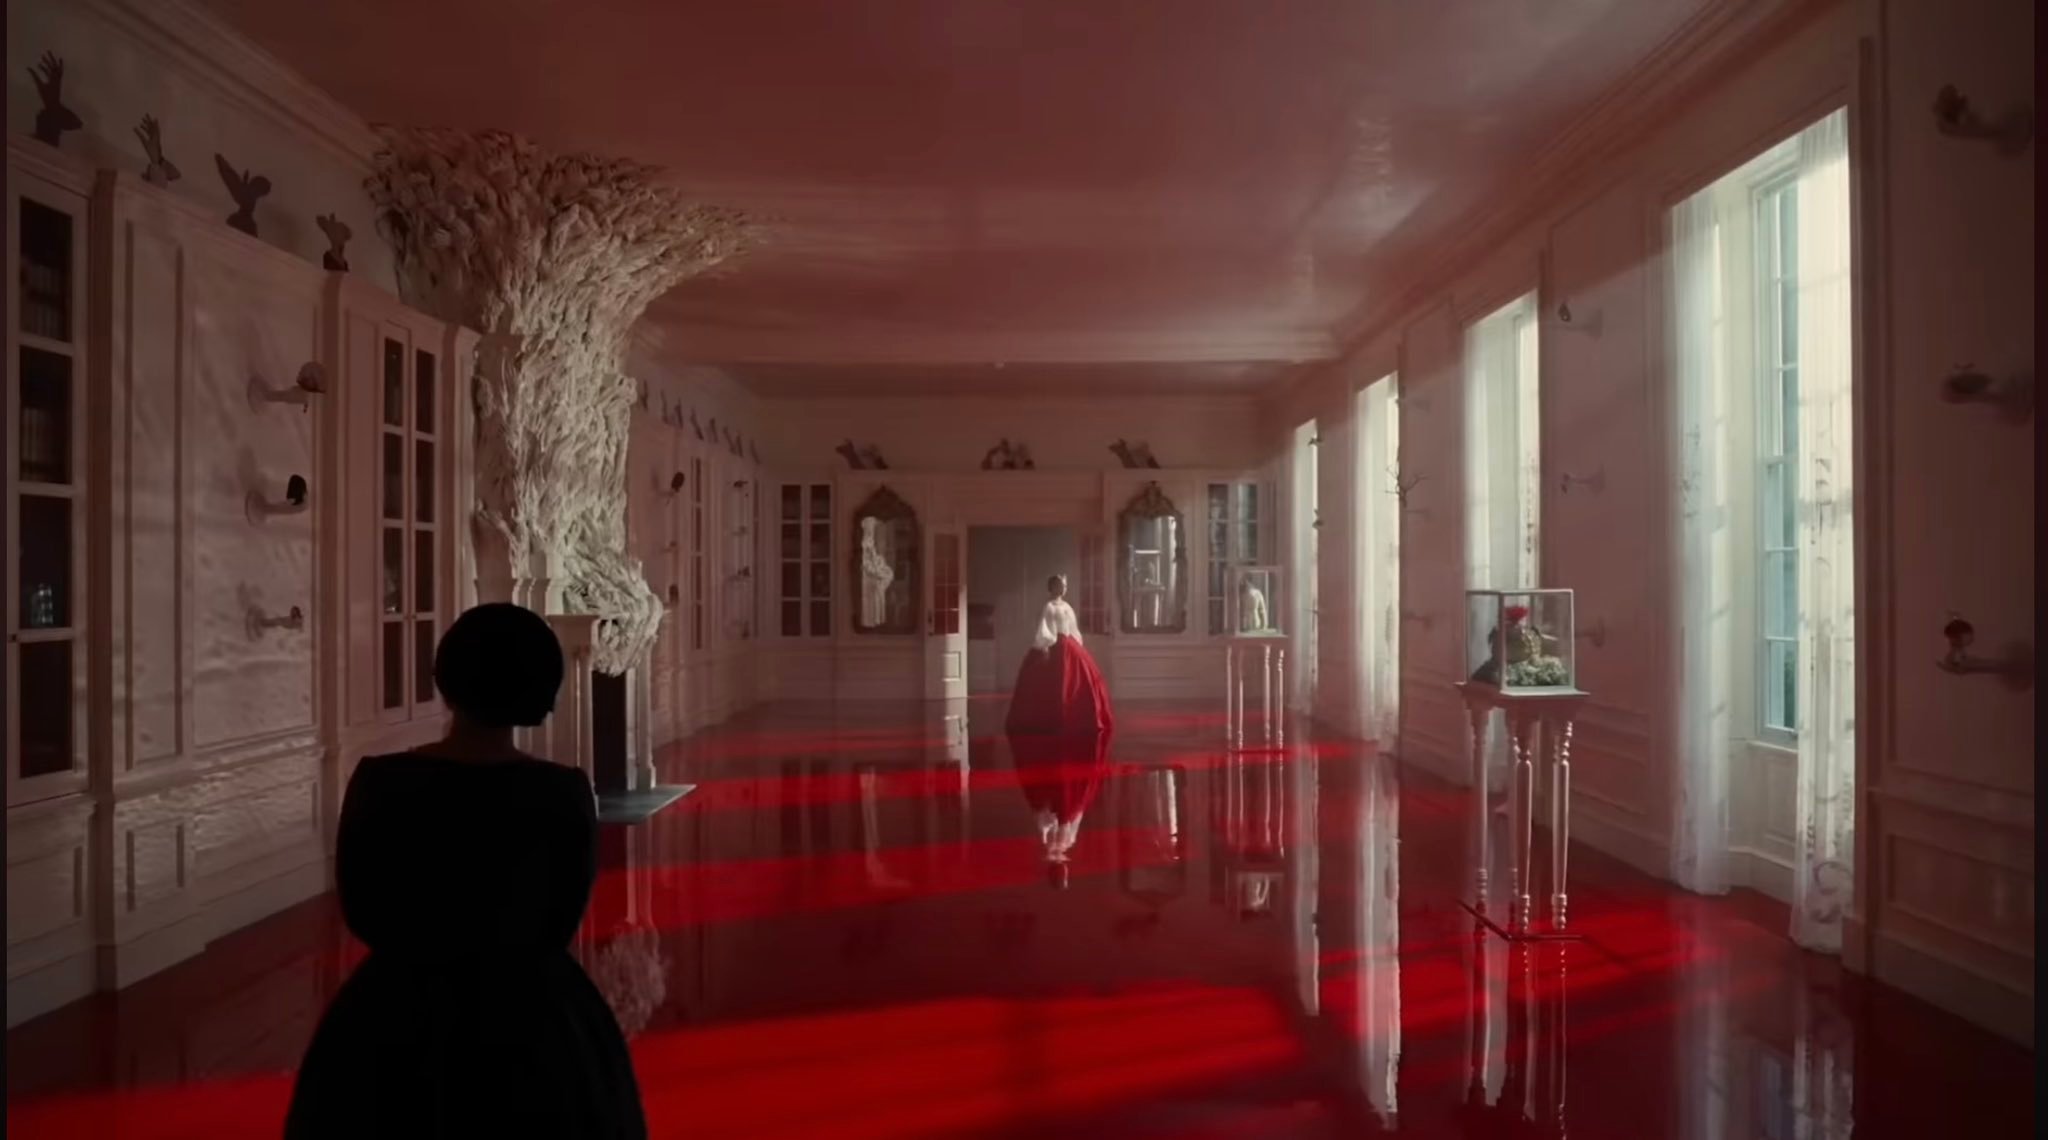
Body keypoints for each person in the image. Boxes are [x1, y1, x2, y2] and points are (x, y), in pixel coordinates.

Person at [285, 604, 646, 1139]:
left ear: (447, 679)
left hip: (394, 1018)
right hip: (534, 1021)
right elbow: (560, 918)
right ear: (538, 688)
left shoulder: (381, 782)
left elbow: (362, 908)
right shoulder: (561, 792)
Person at [1004, 574, 1114, 737]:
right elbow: (1045, 627)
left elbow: (1073, 627)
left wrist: (1077, 644)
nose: (1063, 589)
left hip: (1069, 643)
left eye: (1065, 586)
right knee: (1057, 681)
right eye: (1060, 585)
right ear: (1052, 587)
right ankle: (1054, 718)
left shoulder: (1067, 606)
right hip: (1056, 645)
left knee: (1080, 677)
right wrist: (1047, 644)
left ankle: (1080, 717)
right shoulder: (1049, 607)